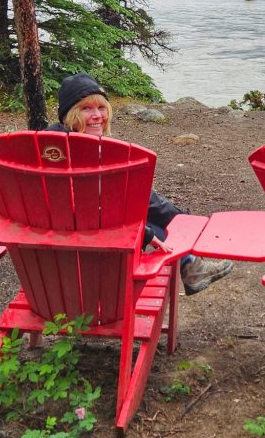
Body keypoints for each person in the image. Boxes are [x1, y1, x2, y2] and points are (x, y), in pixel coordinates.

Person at [47, 72, 233, 296]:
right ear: (69, 114)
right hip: (91, 249)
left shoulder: (49, 146)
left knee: (142, 207)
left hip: (58, 252)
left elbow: (129, 199)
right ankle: (192, 265)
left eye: (101, 107)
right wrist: (146, 233)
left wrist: (175, 217)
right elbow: (100, 210)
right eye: (86, 108)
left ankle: (191, 264)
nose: (97, 116)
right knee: (148, 220)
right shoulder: (87, 156)